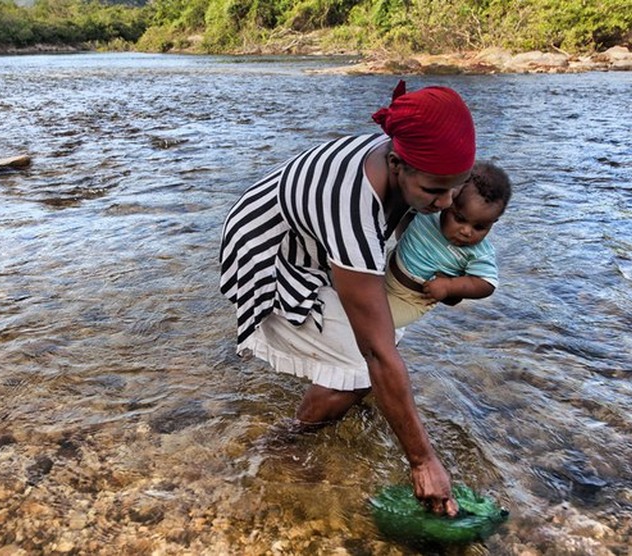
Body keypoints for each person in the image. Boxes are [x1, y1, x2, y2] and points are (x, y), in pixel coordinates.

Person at [219, 80, 475, 516]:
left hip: (315, 239)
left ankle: (326, 399)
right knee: (360, 366)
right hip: (270, 249)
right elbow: (375, 349)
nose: (448, 203)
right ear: (397, 164)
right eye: (436, 191)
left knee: (377, 341)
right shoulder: (351, 205)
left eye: (457, 187)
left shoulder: (406, 164)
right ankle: (286, 442)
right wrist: (423, 459)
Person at [386, 161, 511, 329]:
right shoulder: (430, 213)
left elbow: (486, 284)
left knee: (377, 323)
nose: (467, 231)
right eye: (459, 219)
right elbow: (405, 215)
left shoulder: (479, 253)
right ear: (449, 200)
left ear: (493, 222)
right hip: (386, 268)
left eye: (480, 227)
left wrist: (450, 286)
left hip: (412, 298)